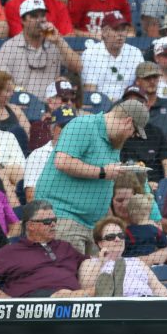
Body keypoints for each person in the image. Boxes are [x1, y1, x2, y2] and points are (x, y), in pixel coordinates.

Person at [33, 101, 149, 253]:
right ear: (128, 121)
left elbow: (101, 185)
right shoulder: (82, 126)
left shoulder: (114, 142)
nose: (132, 136)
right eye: (133, 131)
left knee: (92, 275)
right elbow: (62, 162)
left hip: (93, 226)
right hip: (64, 219)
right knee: (68, 274)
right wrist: (103, 172)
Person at [78, 216, 167, 297]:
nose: (117, 239)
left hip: (145, 304)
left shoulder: (136, 262)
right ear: (100, 243)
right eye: (111, 237)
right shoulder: (90, 263)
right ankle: (117, 294)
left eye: (121, 235)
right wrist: (101, 263)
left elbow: (158, 287)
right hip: (113, 309)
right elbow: (87, 292)